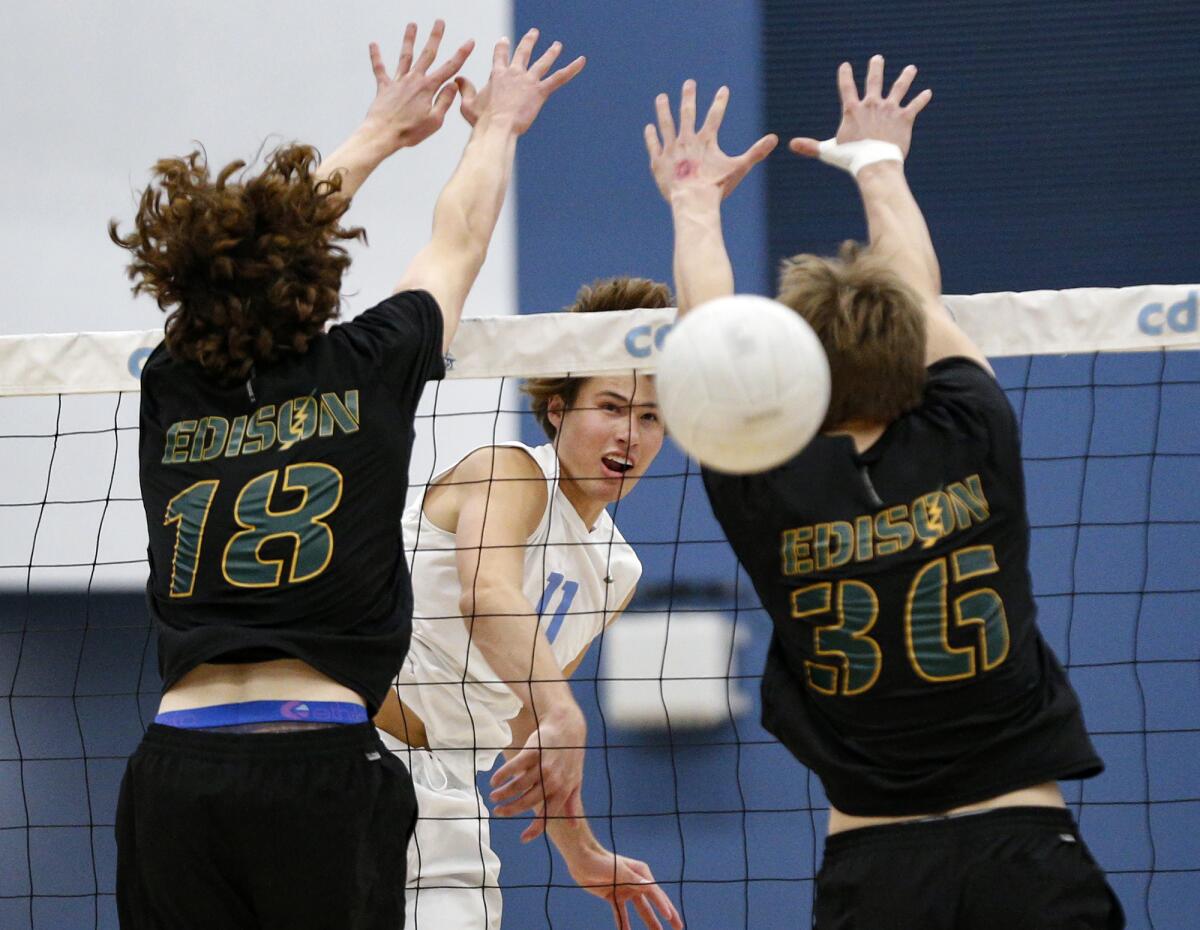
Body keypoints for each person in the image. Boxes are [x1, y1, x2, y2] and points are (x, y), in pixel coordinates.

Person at [109, 21, 584, 929]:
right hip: (319, 763)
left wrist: (374, 133)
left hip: (177, 762)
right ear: (316, 276)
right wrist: (495, 129)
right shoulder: (371, 364)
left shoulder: (171, 384)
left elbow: (247, 252)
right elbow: (459, 239)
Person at [645, 61, 1122, 928]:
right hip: (1026, 848)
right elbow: (914, 294)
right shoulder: (974, 430)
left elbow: (710, 339)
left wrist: (693, 203)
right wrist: (877, 161)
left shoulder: (758, 479)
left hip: (876, 862)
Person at [373, 276, 685, 930]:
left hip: (451, 794)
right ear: (557, 409)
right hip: (354, 749)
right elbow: (485, 597)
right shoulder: (507, 471)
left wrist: (581, 850)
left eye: (650, 416)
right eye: (610, 405)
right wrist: (562, 710)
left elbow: (530, 718)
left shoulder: (616, 570)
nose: (629, 433)